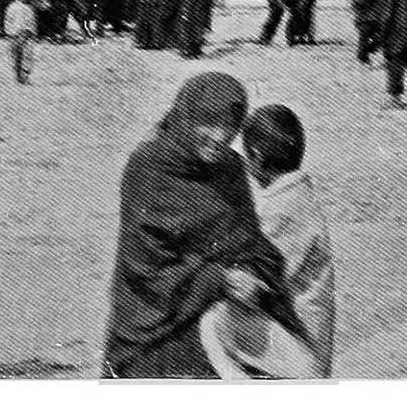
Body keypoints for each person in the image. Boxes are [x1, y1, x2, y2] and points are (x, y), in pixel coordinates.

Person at [102, 73, 298, 379]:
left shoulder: (230, 168)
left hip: (226, 321)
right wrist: (219, 278)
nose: (220, 136)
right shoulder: (148, 166)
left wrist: (252, 275)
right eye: (208, 122)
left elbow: (251, 243)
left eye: (230, 125)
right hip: (157, 334)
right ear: (186, 116)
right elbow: (144, 267)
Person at [203, 104, 337, 378]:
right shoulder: (297, 194)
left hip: (299, 344)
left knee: (211, 323)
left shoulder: (279, 209)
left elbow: (254, 275)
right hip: (306, 328)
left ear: (257, 157)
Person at [5, 0, 45, 85]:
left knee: (28, 55)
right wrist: (10, 33)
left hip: (28, 35)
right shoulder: (12, 6)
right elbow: (8, 21)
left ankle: (25, 75)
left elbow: (45, 6)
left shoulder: (32, 6)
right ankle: (18, 75)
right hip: (15, 35)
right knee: (16, 56)